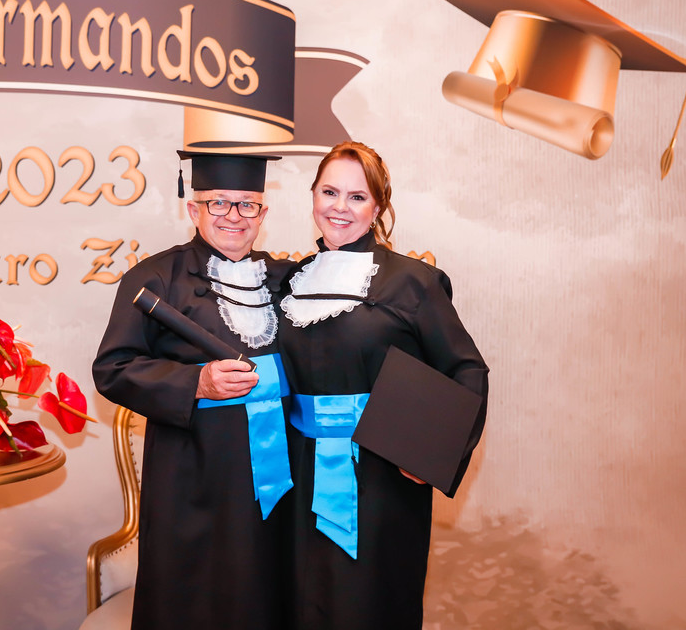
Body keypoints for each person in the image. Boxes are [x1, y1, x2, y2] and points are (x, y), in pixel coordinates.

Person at [277, 141, 489, 629]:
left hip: (380, 478)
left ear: (377, 208)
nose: (340, 207)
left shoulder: (415, 282)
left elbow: (466, 369)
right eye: (330, 192)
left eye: (357, 197)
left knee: (368, 606)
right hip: (296, 472)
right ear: (313, 196)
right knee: (299, 602)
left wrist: (432, 455)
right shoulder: (291, 281)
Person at [93, 150, 294, 630]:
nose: (233, 216)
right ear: (193, 209)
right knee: (197, 602)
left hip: (279, 479)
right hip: (193, 478)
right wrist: (196, 382)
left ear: (263, 213)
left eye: (247, 204)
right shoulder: (154, 278)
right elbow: (113, 368)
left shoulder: (288, 281)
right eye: (218, 203)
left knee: (272, 594)